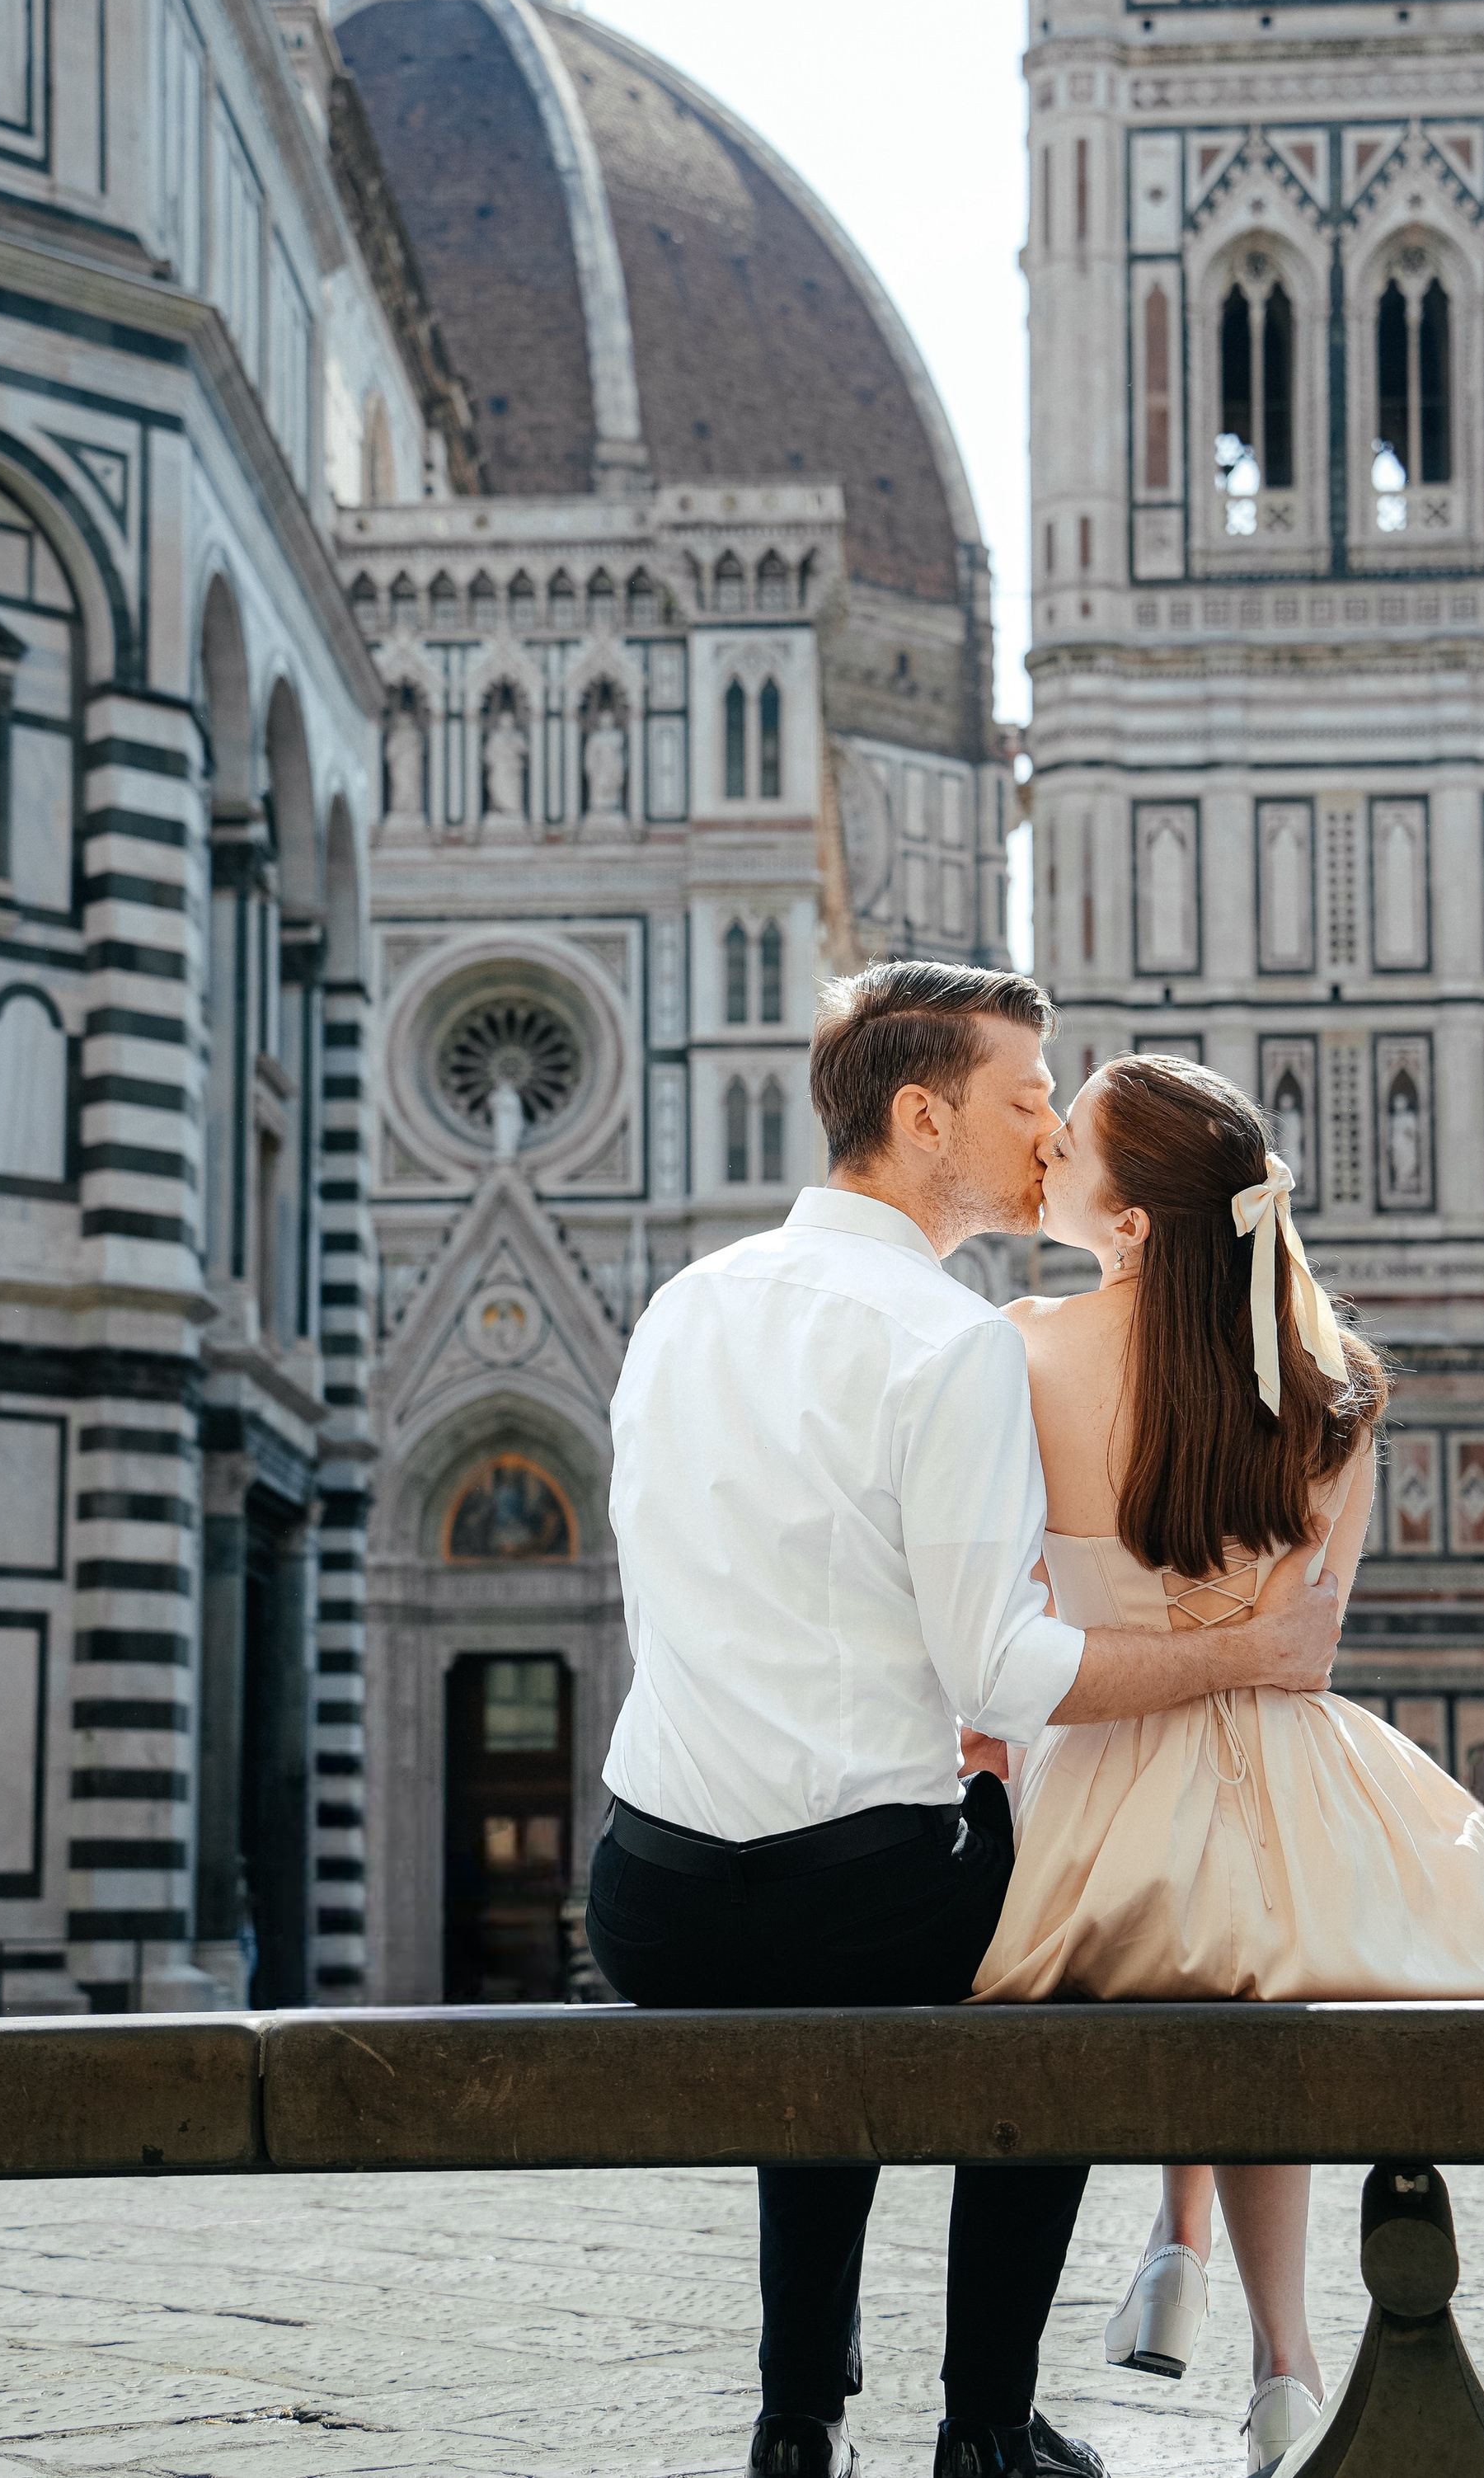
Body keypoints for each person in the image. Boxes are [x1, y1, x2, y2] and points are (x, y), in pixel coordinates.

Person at [588, 962, 1350, 2478]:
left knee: (823, 1927)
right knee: (1062, 1953)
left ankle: (799, 2415)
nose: (1050, 1135)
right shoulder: (949, 1340)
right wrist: (1245, 1651)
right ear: (924, 1117)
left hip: (648, 1905)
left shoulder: (684, 1304)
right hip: (854, 1912)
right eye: (1024, 1100)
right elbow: (1001, 1671)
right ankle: (987, 2426)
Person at [973, 1052, 1484, 2478]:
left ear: (1130, 1223)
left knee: (1191, 1937)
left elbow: (1015, 1612)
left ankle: (1180, 2244)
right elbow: (1305, 1651)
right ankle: (1281, 2365)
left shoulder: (1024, 1348)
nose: (1047, 1149)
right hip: (1295, 1778)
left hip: (1104, 1772)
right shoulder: (1334, 1386)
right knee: (1248, 1966)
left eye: (1073, 1143)